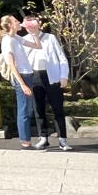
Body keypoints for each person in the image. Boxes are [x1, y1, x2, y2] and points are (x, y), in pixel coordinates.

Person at [22, 13, 72, 151]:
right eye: (26, 25)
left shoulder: (50, 38)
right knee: (38, 108)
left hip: (52, 76)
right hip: (34, 75)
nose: (29, 28)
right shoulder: (24, 40)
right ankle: (43, 137)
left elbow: (61, 57)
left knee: (58, 108)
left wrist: (64, 76)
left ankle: (63, 139)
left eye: (31, 24)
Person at [0, 14, 43, 151]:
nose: (19, 23)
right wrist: (22, 84)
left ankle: (26, 141)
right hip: (21, 77)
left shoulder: (16, 38)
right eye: (15, 21)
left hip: (27, 74)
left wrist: (34, 33)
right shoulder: (7, 40)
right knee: (24, 110)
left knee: (27, 109)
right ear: (9, 25)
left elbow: (37, 46)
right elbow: (11, 65)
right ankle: (25, 143)